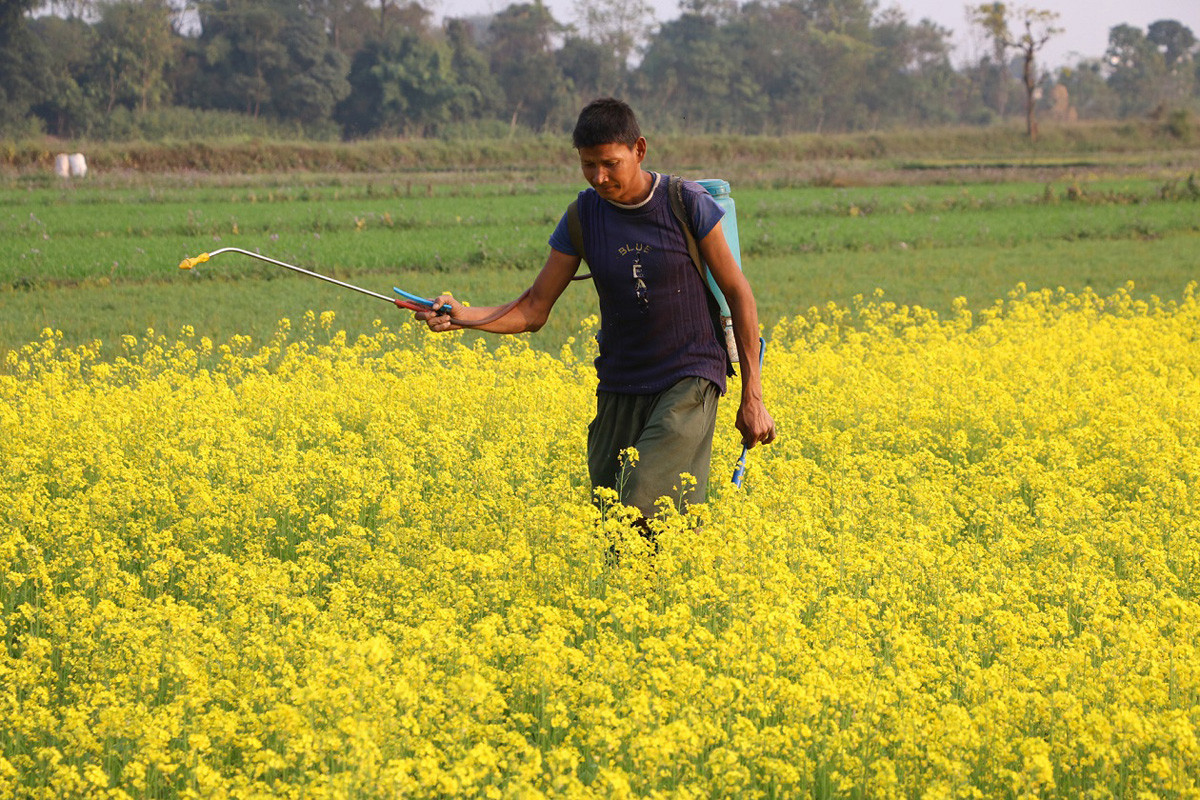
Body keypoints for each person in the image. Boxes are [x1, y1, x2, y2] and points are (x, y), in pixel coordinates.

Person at [415, 97, 775, 520]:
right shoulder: (583, 217)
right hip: (621, 380)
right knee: (610, 513)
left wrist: (753, 395)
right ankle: (654, 585)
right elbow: (533, 308)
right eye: (588, 165)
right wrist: (462, 315)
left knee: (640, 500)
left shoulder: (685, 202)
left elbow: (739, 294)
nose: (599, 178)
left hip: (690, 374)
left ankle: (673, 580)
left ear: (639, 150)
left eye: (610, 163)